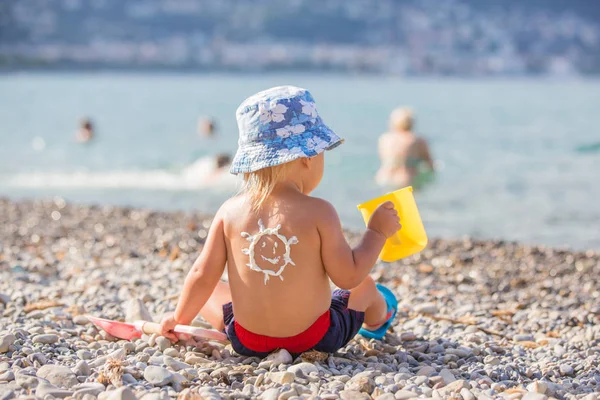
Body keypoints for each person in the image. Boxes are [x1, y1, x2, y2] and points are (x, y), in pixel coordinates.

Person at [160, 86, 401, 357]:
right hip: (314, 337)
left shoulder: (229, 212)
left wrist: (179, 319)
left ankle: (220, 324)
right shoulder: (320, 212)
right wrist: (377, 232)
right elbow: (348, 276)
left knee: (211, 286)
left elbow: (200, 275)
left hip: (247, 340)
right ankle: (379, 318)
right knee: (365, 285)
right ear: (308, 157)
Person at [376, 108, 434, 188]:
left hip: (383, 177)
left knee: (387, 199)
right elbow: (429, 162)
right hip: (405, 177)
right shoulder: (416, 140)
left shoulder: (385, 138)